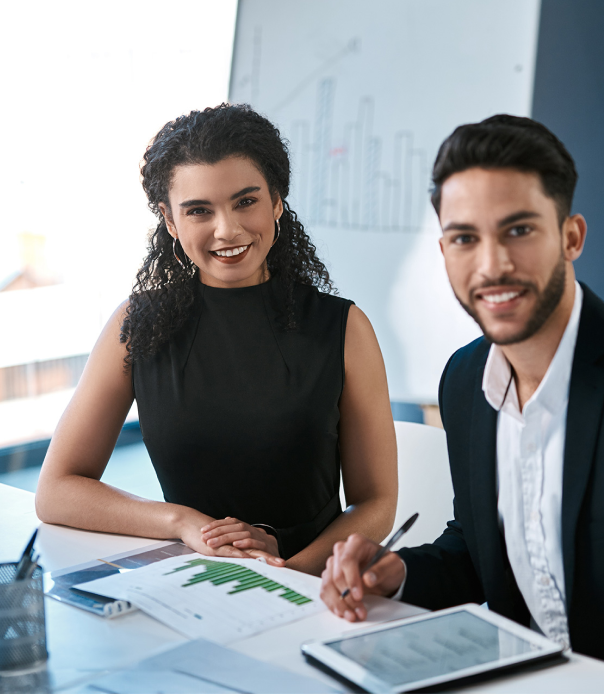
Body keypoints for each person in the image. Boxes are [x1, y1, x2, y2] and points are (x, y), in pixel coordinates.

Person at [320, 115, 604, 682]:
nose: (492, 266)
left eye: (518, 230)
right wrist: (397, 575)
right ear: (444, 251)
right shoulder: (464, 382)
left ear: (571, 236)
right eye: (465, 238)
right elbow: (483, 550)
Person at [36, 103, 397, 575]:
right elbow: (57, 490)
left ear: (277, 201)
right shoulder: (136, 326)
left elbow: (377, 504)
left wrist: (287, 573)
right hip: (193, 583)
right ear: (170, 222)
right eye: (199, 211)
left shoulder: (345, 328)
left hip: (313, 583)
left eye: (246, 201)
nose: (227, 229)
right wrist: (184, 523)